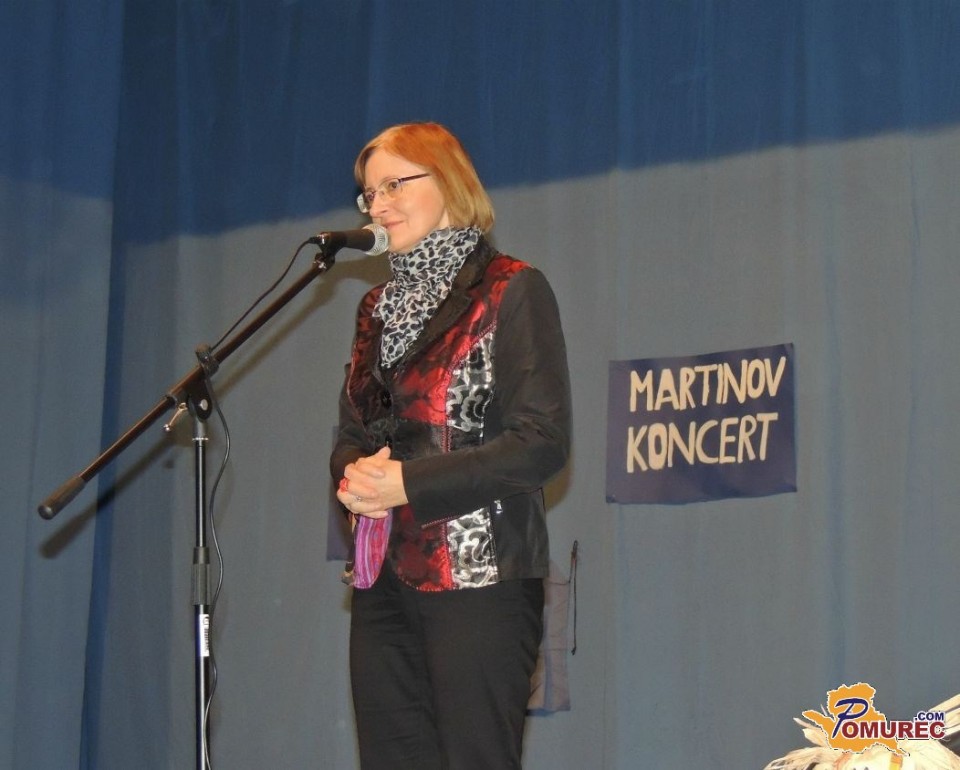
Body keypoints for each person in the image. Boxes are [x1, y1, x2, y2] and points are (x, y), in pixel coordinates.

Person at [330, 121, 571, 770]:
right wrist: (353, 478)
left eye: (393, 185)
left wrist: (407, 484)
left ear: (449, 182)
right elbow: (353, 431)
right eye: (369, 193)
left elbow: (541, 442)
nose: (377, 205)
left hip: (479, 580)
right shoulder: (376, 307)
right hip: (383, 582)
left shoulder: (511, 289)